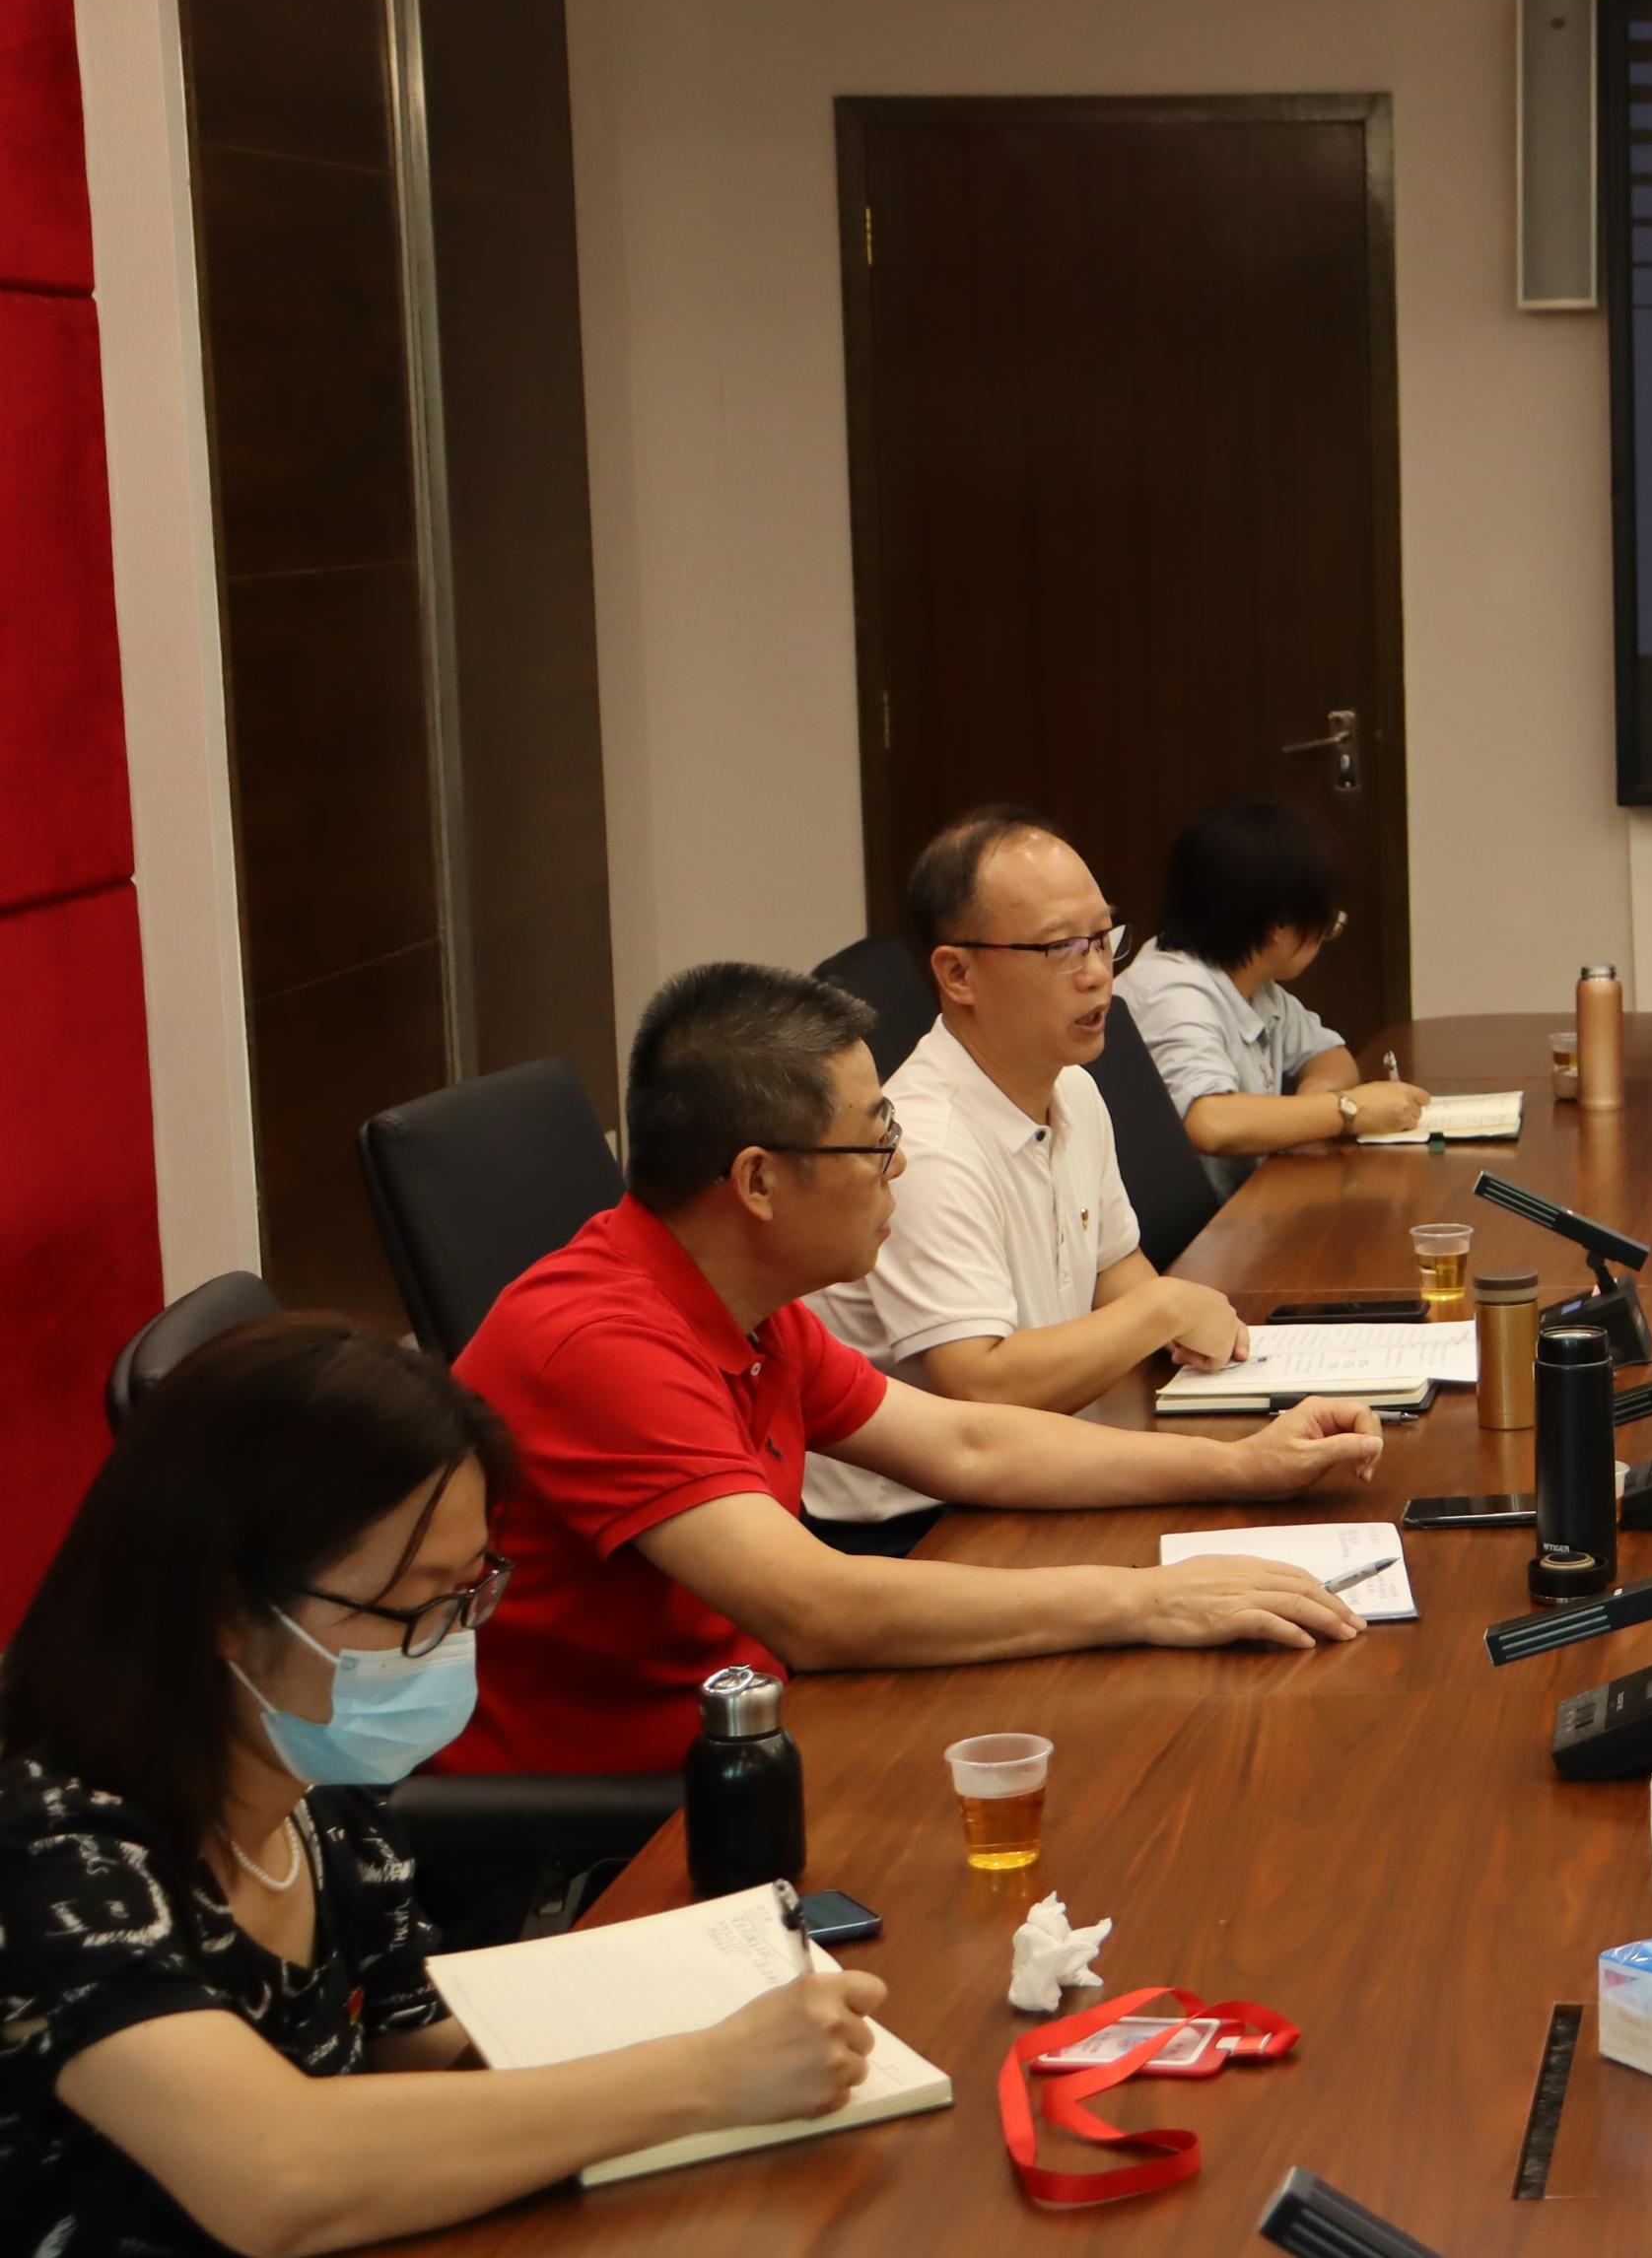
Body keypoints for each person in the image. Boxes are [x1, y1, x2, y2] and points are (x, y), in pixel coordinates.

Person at [1, 1320, 892, 2254]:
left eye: (469, 1592)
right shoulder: (52, 1849)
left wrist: (698, 2024)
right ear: (224, 1608)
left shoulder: (317, 1782)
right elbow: (277, 2173)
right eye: (416, 1604)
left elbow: (413, 2046)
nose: (449, 1644)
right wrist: (707, 2073)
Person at [439, 962, 1385, 1779]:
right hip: (636, 1808)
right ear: (758, 1181)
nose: (898, 1169)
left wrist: (1243, 1466)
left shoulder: (746, 1298)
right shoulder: (602, 1342)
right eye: (876, 1140)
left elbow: (967, 1443)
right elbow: (819, 1608)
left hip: (758, 1726)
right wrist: (1153, 1597)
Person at [803, 808, 1261, 1545]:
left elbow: (1111, 1264)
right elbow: (980, 1386)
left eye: (1103, 938)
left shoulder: (1070, 1083)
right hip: (922, 1525)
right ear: (957, 973)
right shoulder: (925, 1145)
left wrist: (1223, 1349)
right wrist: (1164, 1310)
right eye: (1060, 948)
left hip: (1033, 1460)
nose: (1097, 972)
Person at [1119, 798, 1431, 1198]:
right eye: (1325, 922)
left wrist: (1313, 1107)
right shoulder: (1170, 992)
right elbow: (1210, 1122)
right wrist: (1347, 1111)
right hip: (1194, 1230)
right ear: (1279, 925)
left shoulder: (1252, 984)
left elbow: (1330, 1056)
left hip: (1243, 1211)